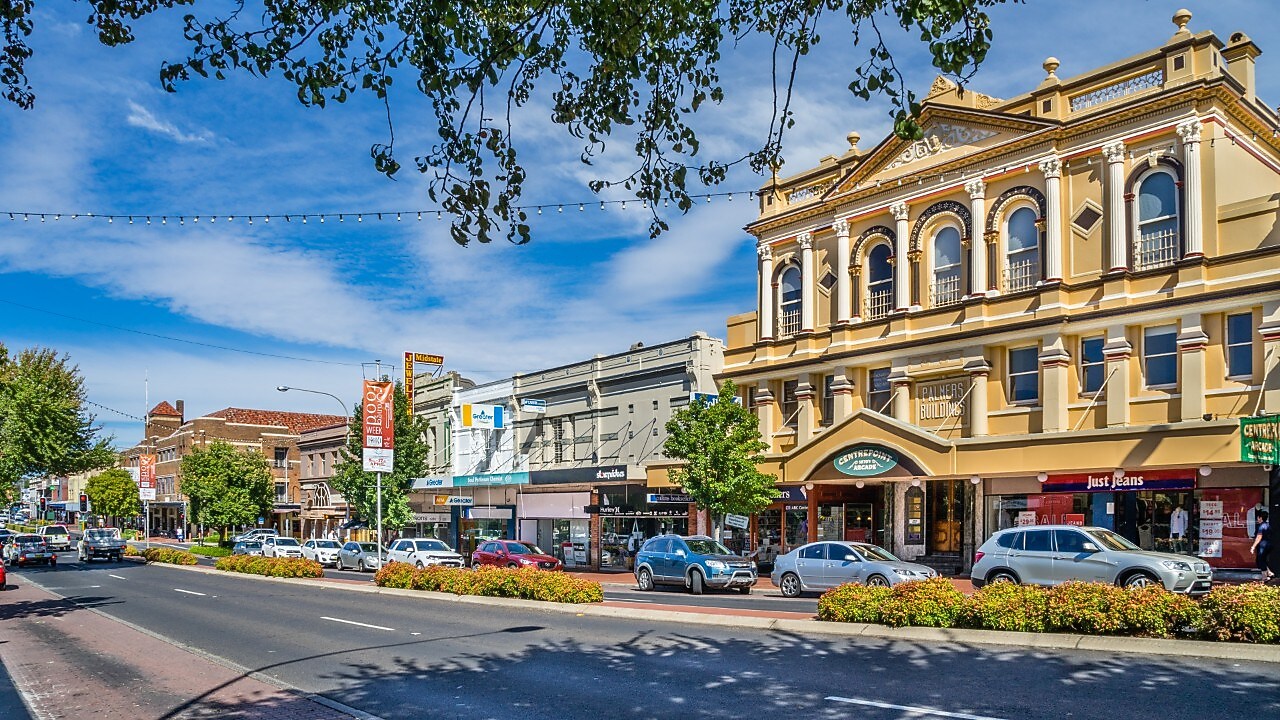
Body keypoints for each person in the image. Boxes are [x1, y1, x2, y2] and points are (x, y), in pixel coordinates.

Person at [1251, 509, 1272, 582]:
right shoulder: (1268, 525)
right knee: (1262, 559)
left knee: (1260, 560)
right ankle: (1269, 573)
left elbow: (1259, 537)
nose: (1257, 519)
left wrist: (1253, 546)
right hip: (1269, 545)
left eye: (1258, 517)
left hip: (1263, 545)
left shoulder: (1261, 526)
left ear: (1260, 518)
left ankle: (1265, 577)